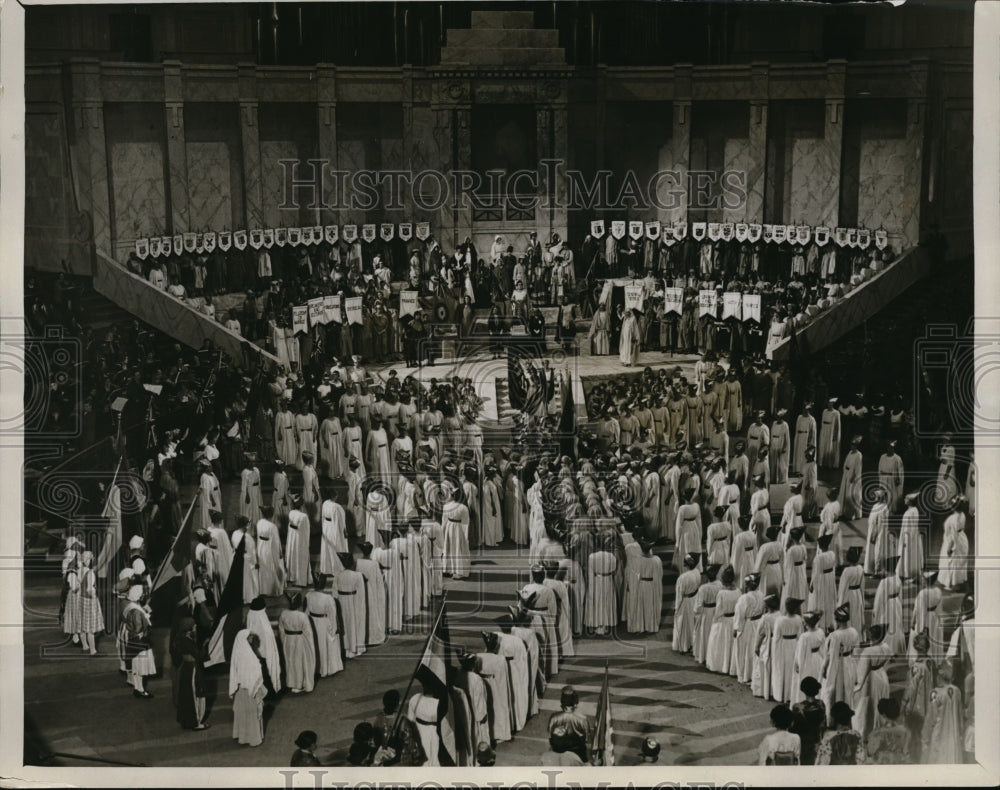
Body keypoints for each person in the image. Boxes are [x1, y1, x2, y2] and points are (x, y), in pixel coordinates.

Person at [852, 624, 892, 739]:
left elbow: (861, 675)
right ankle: (880, 727)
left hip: (870, 679)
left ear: (871, 636)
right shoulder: (886, 646)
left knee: (865, 705)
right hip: (882, 676)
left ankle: (864, 732)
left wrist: (855, 687)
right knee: (879, 702)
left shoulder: (868, 651)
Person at [821, 603, 859, 722]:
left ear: (837, 620)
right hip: (850, 661)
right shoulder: (854, 631)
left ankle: (834, 717)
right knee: (847, 689)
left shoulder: (835, 636)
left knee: (836, 691)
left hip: (838, 664)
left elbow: (831, 656)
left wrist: (825, 669)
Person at [170, 616, 209, 730]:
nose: (196, 626)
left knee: (186, 695)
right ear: (188, 628)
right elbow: (200, 656)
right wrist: (205, 645)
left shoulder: (181, 638)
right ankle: (196, 723)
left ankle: (186, 720)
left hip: (185, 668)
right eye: (194, 625)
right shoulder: (187, 641)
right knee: (195, 693)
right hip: (192, 668)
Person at [923, 660, 965, 764]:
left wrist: (925, 738)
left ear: (939, 675)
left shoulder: (934, 693)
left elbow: (930, 718)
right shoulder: (957, 691)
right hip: (953, 736)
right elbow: (960, 716)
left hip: (939, 735)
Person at [230, 630, 266, 747]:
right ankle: (254, 738)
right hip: (250, 690)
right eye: (249, 636)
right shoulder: (248, 655)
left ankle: (243, 736)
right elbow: (255, 672)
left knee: (242, 714)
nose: (251, 637)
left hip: (241, 690)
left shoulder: (238, 652)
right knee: (252, 714)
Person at [64, 549, 104, 657]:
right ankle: (93, 651)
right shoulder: (90, 573)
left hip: (80, 600)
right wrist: (95, 596)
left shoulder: (78, 571)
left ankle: (85, 646)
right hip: (88, 601)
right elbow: (90, 589)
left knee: (81, 626)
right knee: (90, 627)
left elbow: (76, 586)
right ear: (89, 560)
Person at [305, 573, 343, 678]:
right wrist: (334, 629)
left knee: (316, 645)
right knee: (326, 645)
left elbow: (306, 611)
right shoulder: (328, 598)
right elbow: (332, 615)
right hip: (324, 623)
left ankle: (317, 668)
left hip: (312, 622)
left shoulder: (308, 595)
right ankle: (327, 668)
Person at [120, 584, 155, 698]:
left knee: (136, 666)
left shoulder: (130, 605)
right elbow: (139, 627)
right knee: (140, 667)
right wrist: (147, 616)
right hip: (140, 642)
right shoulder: (136, 611)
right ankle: (140, 690)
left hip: (131, 640)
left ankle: (137, 688)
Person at [278, 593, 316, 694]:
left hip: (288, 640)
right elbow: (308, 633)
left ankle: (291, 683)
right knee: (299, 662)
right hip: (299, 641)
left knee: (289, 661)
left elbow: (281, 630)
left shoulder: (283, 613)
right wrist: (310, 647)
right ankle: (299, 685)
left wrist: (284, 641)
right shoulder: (302, 616)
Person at [547, 685, 592, 764]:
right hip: (578, 754)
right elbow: (586, 739)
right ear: (575, 703)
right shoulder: (582, 719)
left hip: (558, 753)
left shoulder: (553, 717)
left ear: (562, 702)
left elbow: (550, 737)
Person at [247, 595, 281, 694]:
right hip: (264, 653)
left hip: (256, 651)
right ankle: (271, 691)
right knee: (266, 673)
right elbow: (268, 638)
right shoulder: (261, 617)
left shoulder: (251, 615)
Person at [791, 611, 826, 705]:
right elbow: (824, 647)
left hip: (807, 660)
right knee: (817, 678)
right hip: (818, 658)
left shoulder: (804, 636)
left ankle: (805, 700)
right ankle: (817, 698)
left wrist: (798, 664)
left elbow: (800, 653)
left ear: (806, 624)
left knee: (806, 678)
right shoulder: (820, 631)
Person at [790, 676, 826, 765]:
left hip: (803, 743)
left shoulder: (797, 707)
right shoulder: (821, 704)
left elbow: (793, 729)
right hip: (817, 741)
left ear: (803, 690)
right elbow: (823, 724)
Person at [866, 698, 911, 764]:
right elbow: (907, 755)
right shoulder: (907, 732)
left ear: (884, 715)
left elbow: (869, 752)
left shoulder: (878, 733)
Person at [938, 495, 969, 592]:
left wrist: (950, 547)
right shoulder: (962, 515)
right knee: (958, 561)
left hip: (953, 541)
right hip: (962, 539)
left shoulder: (952, 518)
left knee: (951, 560)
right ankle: (956, 580)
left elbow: (952, 535)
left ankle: (950, 583)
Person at [672, 553, 701, 654]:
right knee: (692, 623)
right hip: (695, 598)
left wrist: (676, 608)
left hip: (685, 602)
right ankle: (693, 644)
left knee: (683, 624)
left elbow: (679, 595)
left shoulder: (682, 578)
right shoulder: (697, 572)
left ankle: (684, 645)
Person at [285, 495, 312, 587]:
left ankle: (291, 577)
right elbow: (306, 531)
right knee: (300, 557)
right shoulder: (304, 516)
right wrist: (307, 544)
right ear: (302, 504)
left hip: (292, 539)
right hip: (300, 540)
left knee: (293, 556)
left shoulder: (291, 513)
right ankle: (300, 580)